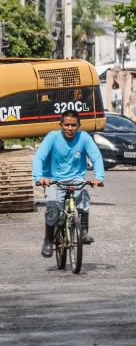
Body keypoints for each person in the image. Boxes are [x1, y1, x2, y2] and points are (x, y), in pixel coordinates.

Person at [32, 109, 104, 258]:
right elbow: (39, 157)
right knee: (53, 208)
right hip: (53, 179)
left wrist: (99, 177)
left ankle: (83, 232)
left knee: (83, 196)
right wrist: (39, 177)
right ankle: (48, 240)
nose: (69, 128)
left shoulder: (84, 138)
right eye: (66, 125)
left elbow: (96, 157)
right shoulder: (52, 137)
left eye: (73, 125)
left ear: (79, 126)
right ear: (61, 125)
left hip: (76, 178)